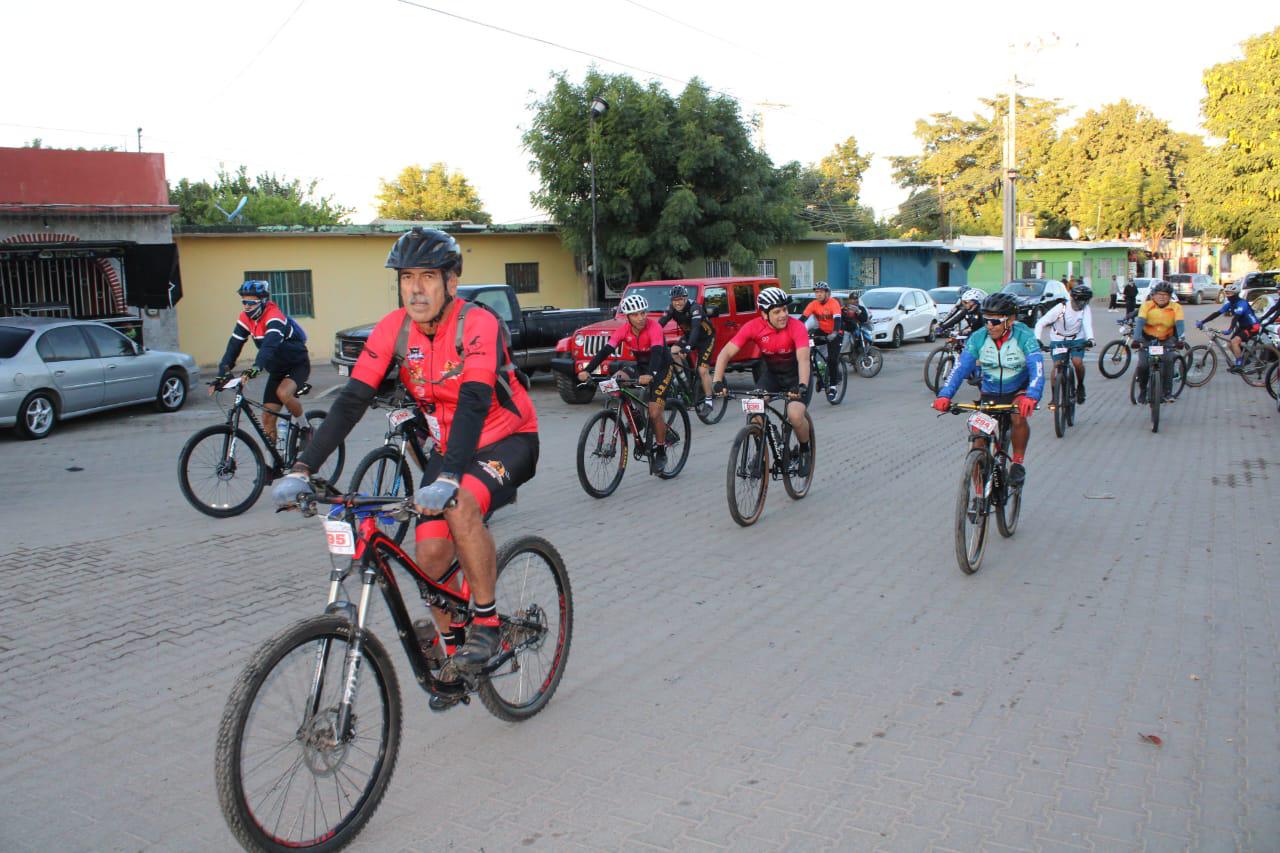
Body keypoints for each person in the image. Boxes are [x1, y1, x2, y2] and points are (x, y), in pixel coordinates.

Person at [273, 227, 539, 682]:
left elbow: (475, 398)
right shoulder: (393, 329)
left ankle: (488, 620)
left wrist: (450, 476)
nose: (415, 288)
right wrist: (302, 467)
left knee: (461, 504)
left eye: (428, 277)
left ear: (451, 283)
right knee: (430, 553)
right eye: (406, 277)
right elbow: (352, 400)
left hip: (505, 438)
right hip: (449, 449)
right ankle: (454, 646)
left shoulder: (477, 323)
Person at [933, 292, 1044, 489]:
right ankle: (978, 493)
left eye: (995, 321)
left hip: (1018, 389)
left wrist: (1032, 396)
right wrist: (944, 395)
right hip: (990, 392)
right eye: (986, 320)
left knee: (1018, 417)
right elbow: (960, 369)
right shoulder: (978, 338)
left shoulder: (1024, 335)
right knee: (978, 440)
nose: (989, 326)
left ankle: (1017, 462)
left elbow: (1037, 368)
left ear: (1010, 320)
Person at [712, 287, 813, 476]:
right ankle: (760, 453)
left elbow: (804, 360)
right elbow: (725, 353)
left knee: (795, 414)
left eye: (785, 309)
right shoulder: (753, 327)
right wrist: (717, 381)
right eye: (777, 311)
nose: (783, 315)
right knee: (754, 409)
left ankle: (805, 450)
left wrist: (802, 386)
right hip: (772, 375)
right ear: (764, 314)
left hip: (797, 376)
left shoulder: (797, 327)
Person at [214, 280, 310, 461]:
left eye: (251, 303)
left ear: (263, 301)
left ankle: (306, 427)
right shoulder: (245, 318)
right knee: (267, 418)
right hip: (277, 369)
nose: (247, 307)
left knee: (283, 393)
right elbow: (234, 346)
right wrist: (222, 372)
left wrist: (256, 368)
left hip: (297, 364)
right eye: (244, 302)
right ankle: (272, 464)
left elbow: (269, 346)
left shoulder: (274, 316)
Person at [577, 293, 674, 469]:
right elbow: (605, 351)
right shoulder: (623, 330)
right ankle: (635, 417)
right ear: (628, 317)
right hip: (640, 366)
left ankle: (660, 450)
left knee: (654, 412)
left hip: (660, 368)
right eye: (636, 314)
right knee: (615, 381)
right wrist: (587, 370)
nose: (641, 317)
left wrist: (651, 374)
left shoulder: (654, 327)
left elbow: (658, 353)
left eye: (643, 313)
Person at [1034, 283, 1095, 403]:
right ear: (1072, 298)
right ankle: (1054, 397)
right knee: (1057, 366)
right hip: (1058, 339)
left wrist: (1091, 339)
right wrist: (1038, 339)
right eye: (1079, 302)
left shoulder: (1085, 310)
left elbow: (1087, 325)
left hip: (1076, 339)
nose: (1081, 305)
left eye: (1085, 302)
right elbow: (1040, 323)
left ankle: (1080, 386)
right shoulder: (1060, 308)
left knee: (1077, 362)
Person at [658, 284, 715, 410]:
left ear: (685, 298)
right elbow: (660, 324)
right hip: (690, 336)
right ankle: (683, 380)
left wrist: (688, 347)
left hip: (705, 338)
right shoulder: (671, 308)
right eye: (674, 300)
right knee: (673, 351)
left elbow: (695, 329)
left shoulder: (695, 308)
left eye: (680, 299)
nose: (677, 303)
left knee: (702, 370)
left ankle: (709, 400)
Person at [1134, 281, 1185, 402]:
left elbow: (1180, 324)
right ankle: (1142, 391)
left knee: (1168, 361)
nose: (1162, 297)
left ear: (1169, 296)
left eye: (1165, 294)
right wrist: (1136, 339)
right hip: (1147, 339)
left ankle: (1167, 393)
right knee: (1143, 365)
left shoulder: (1176, 307)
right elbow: (1140, 322)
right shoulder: (1146, 305)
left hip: (1166, 339)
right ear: (1153, 295)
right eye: (1159, 294)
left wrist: (1181, 339)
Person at [1198, 283, 1261, 373]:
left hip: (1253, 326)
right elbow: (1217, 313)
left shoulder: (1242, 303)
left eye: (1230, 293)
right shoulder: (1230, 304)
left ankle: (1239, 364)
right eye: (1226, 293)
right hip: (1243, 327)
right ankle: (1244, 360)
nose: (1227, 295)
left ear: (1235, 294)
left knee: (1234, 342)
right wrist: (1202, 321)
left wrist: (1230, 330)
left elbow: (1236, 318)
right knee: (1229, 344)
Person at [802, 282, 843, 383]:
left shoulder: (833, 303)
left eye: (821, 292)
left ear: (827, 293)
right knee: (806, 344)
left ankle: (833, 383)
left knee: (832, 360)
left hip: (836, 333)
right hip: (823, 331)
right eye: (816, 292)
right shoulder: (813, 304)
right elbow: (802, 319)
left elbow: (837, 320)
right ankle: (816, 366)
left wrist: (834, 333)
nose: (818, 294)